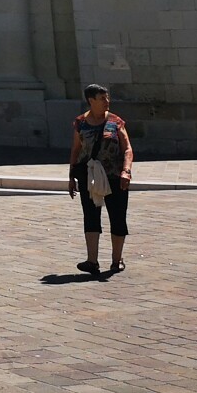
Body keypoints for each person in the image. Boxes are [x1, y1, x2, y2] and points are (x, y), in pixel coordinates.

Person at [68, 84, 134, 277]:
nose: (107, 101)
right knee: (90, 216)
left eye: (107, 98)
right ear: (91, 101)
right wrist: (71, 177)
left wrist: (126, 171)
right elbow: (76, 150)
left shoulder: (115, 121)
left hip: (115, 177)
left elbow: (128, 149)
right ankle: (92, 261)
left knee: (117, 216)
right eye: (102, 98)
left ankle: (117, 260)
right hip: (89, 178)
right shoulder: (80, 123)